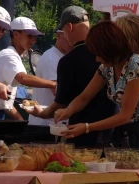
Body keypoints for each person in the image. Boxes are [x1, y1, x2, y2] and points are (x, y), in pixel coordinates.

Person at [54, 20, 139, 184]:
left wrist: (86, 127)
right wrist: (67, 111)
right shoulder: (107, 67)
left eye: (98, 53)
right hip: (129, 139)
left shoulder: (136, 64)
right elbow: (84, 97)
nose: (97, 59)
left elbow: (125, 115)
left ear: (109, 49)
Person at [26, 6, 116, 148]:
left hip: (83, 135)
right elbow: (85, 97)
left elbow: (62, 104)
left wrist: (41, 113)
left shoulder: (68, 61)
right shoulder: (109, 53)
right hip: (114, 132)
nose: (97, 59)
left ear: (69, 26)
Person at [0, 17, 57, 120]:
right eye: (29, 36)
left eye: (34, 37)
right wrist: (53, 84)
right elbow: (22, 78)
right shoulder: (8, 55)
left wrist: (21, 120)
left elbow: (6, 105)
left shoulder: (14, 56)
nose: (33, 40)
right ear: (16, 34)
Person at [28, 29, 72, 126]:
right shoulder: (51, 59)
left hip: (53, 123)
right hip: (44, 125)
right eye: (68, 36)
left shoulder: (64, 57)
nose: (71, 40)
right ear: (59, 35)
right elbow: (59, 92)